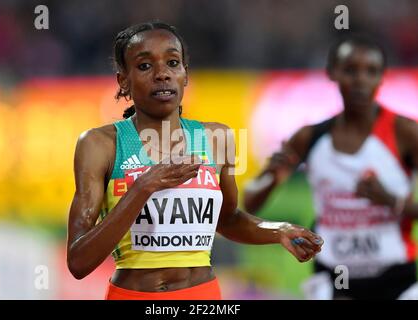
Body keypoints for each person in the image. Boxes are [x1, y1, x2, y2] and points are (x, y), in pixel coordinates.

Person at [66, 21, 323, 300]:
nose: (162, 74)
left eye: (173, 63)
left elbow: (227, 220)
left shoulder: (217, 138)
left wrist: (278, 230)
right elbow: (79, 261)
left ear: (185, 75)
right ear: (123, 81)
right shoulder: (100, 144)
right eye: (144, 66)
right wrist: (143, 187)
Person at [244, 35, 418, 300]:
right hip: (334, 281)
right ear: (332, 73)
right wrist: (271, 176)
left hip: (396, 280)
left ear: (382, 77)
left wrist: (391, 201)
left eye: (371, 71)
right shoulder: (309, 137)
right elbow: (250, 202)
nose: (360, 80)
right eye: (350, 70)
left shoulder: (404, 133)